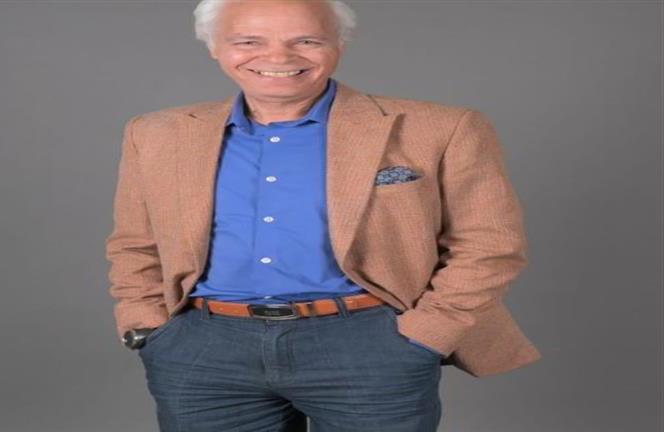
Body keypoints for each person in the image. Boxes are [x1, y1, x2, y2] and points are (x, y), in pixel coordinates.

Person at [105, 1, 542, 431]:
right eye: (249, 41)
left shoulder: (442, 127)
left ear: (339, 44)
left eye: (307, 40)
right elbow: (134, 243)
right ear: (214, 46)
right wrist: (145, 326)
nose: (278, 56)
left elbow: (490, 243)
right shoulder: (155, 133)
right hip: (202, 351)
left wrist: (428, 333)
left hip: (372, 344)